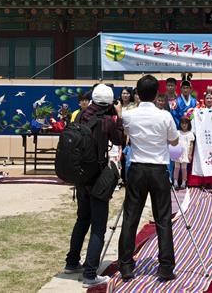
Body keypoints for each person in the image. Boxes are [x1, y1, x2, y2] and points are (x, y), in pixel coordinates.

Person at [118, 75, 179, 282]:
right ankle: (165, 267)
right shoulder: (164, 116)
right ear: (155, 94)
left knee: (130, 218)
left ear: (137, 93)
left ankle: (126, 266)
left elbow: (127, 134)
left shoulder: (129, 115)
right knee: (163, 219)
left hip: (137, 169)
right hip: (158, 168)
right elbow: (174, 140)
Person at [64, 84, 124, 288]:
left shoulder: (80, 115)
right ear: (108, 103)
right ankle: (90, 273)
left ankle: (72, 262)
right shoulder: (107, 121)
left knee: (82, 219)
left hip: (80, 177)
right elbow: (120, 139)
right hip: (97, 178)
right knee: (98, 225)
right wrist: (118, 116)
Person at [174, 117, 195, 189]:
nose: (184, 125)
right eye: (182, 123)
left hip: (186, 153)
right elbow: (174, 142)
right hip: (177, 151)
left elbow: (191, 145)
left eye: (186, 123)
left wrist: (190, 154)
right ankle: (175, 182)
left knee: (184, 168)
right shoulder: (177, 132)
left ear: (188, 124)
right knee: (176, 167)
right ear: (180, 124)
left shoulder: (190, 134)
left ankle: (184, 182)